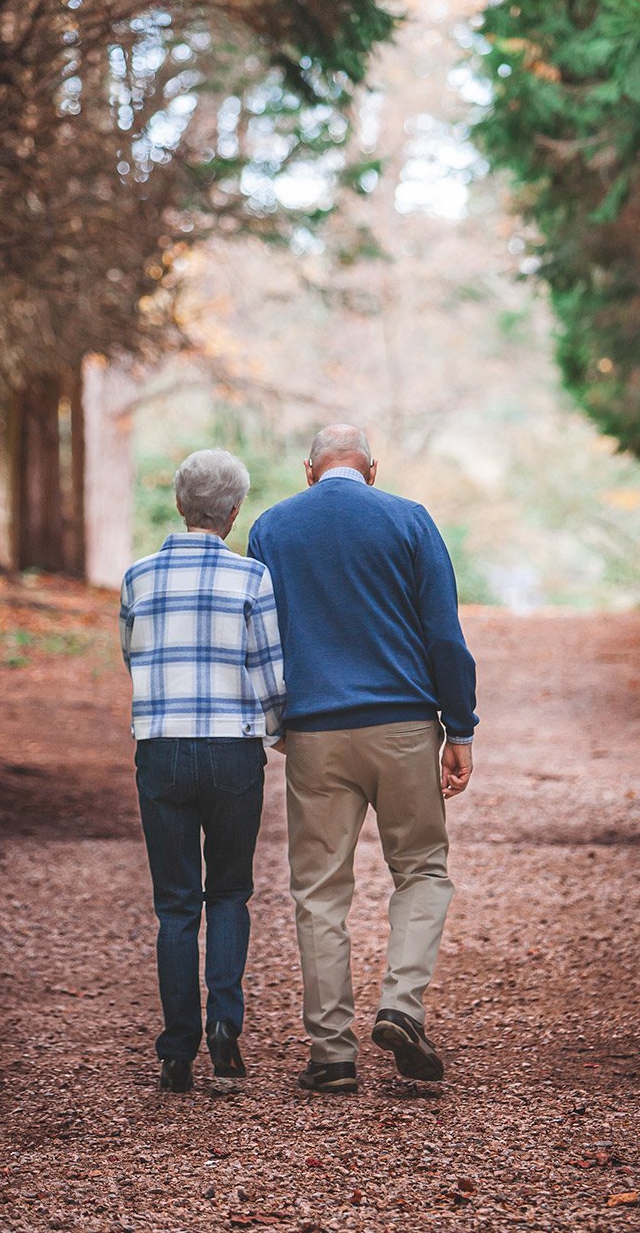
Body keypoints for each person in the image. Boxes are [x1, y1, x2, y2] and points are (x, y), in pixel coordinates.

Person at [244, 424, 478, 1095]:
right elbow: (444, 633)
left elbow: (262, 633)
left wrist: (275, 720)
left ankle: (332, 1055)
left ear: (309, 471)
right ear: (372, 471)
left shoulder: (272, 528)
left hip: (315, 733)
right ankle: (402, 1005)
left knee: (319, 891)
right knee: (423, 871)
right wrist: (458, 728)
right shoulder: (409, 520)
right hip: (403, 727)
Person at [120, 449, 285, 1095]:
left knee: (175, 904)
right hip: (230, 750)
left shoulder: (137, 577)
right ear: (235, 511)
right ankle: (225, 1023)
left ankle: (175, 1048)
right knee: (229, 892)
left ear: (179, 504)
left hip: (161, 748)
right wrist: (278, 733)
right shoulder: (252, 579)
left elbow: (132, 656)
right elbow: (271, 674)